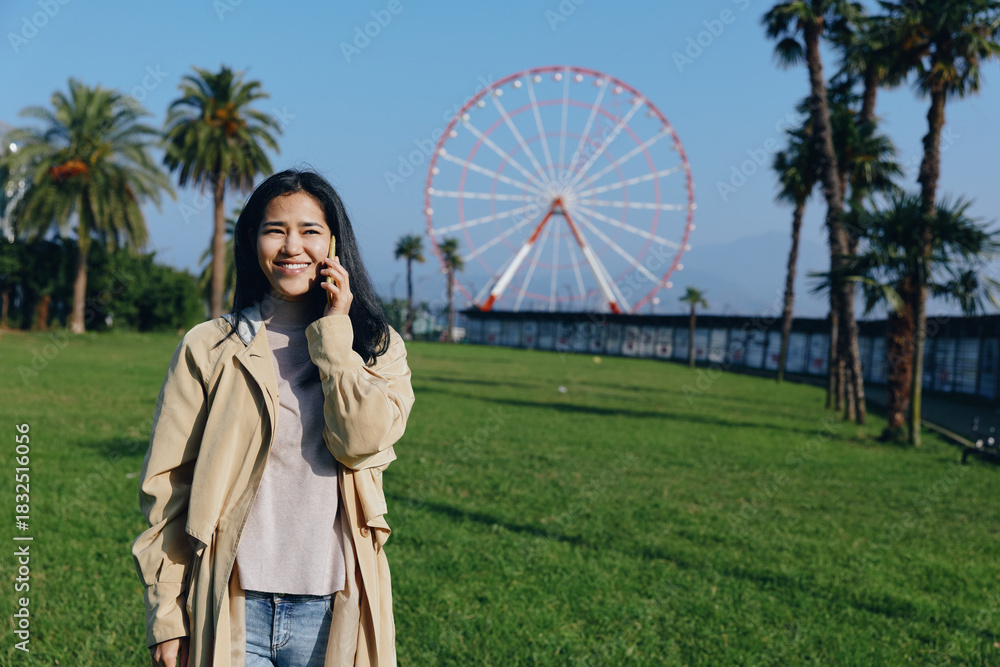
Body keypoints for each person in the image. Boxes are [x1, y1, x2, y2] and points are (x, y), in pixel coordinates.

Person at [132, 169, 414, 667]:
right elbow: (167, 485)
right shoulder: (210, 346)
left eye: (309, 231)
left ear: (334, 242)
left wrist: (334, 336)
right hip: (231, 601)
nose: (292, 247)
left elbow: (359, 440)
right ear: (252, 240)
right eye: (274, 229)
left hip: (332, 605)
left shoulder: (377, 347)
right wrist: (168, 616)